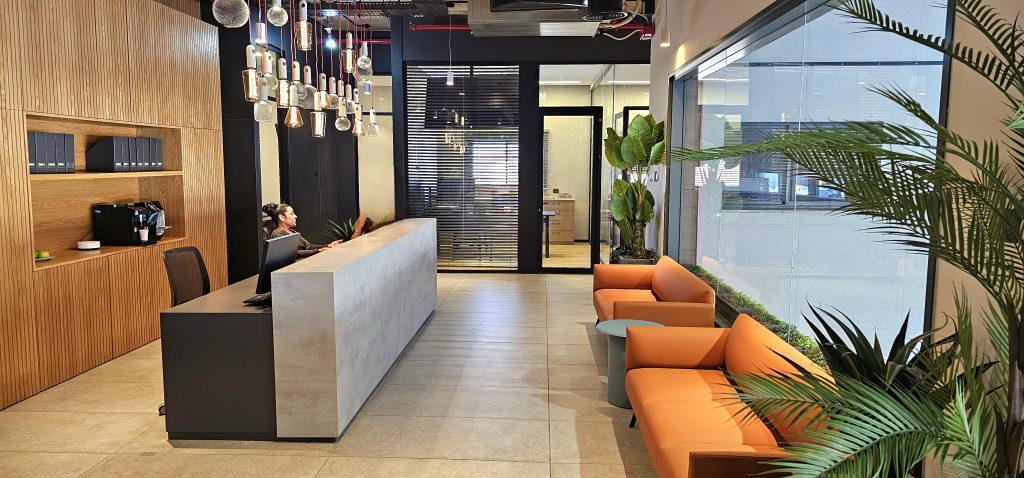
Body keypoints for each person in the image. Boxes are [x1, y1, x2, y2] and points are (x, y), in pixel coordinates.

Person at [261, 203, 341, 258]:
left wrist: (327, 246)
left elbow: (309, 247)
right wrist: (318, 251)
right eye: (292, 214)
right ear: (282, 217)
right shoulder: (277, 234)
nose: (295, 216)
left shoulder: (293, 232)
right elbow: (294, 253)